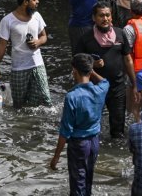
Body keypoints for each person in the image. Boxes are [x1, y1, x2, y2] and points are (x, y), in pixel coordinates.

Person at [49, 53, 109, 196]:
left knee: (77, 185)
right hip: (94, 142)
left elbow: (66, 130)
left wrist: (56, 156)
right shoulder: (100, 89)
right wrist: (92, 70)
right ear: (90, 70)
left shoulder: (72, 96)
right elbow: (105, 81)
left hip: (78, 145)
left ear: (74, 71)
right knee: (88, 181)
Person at [74, 2, 136, 139]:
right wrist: (92, 64)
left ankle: (114, 156)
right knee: (91, 126)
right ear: (94, 18)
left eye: (108, 15)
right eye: (101, 16)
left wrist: (134, 84)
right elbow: (76, 63)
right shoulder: (86, 39)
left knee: (118, 130)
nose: (105, 19)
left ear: (111, 17)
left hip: (117, 88)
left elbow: (128, 60)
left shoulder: (120, 34)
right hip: (94, 88)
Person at [0, 0, 52, 108]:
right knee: (19, 105)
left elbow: (44, 36)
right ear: (25, 2)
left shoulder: (37, 16)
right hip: (19, 68)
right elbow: (2, 45)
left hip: (37, 65)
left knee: (45, 99)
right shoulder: (8, 21)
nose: (38, 2)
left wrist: (38, 42)